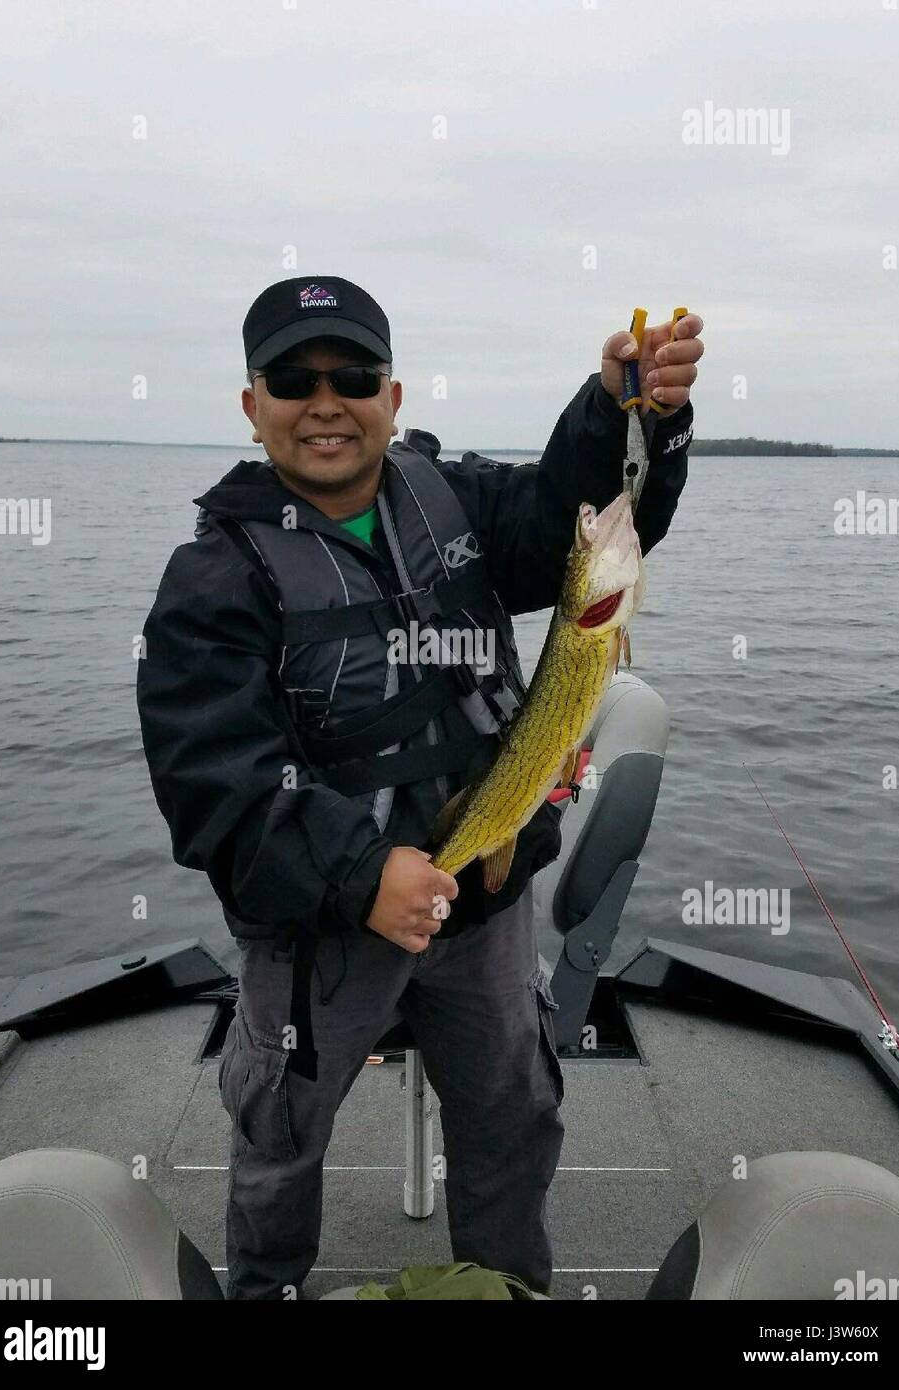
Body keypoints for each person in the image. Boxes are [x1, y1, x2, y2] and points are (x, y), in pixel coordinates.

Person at [136, 275, 703, 1299]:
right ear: (251, 403)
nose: (325, 402)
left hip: (479, 906)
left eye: (351, 374)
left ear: (390, 398)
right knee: (281, 1127)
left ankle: (505, 1287)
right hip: (321, 930)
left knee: (510, 1110)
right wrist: (360, 874)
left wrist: (636, 415)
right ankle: (264, 1287)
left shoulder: (458, 502)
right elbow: (211, 782)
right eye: (293, 380)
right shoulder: (213, 579)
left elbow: (569, 517)